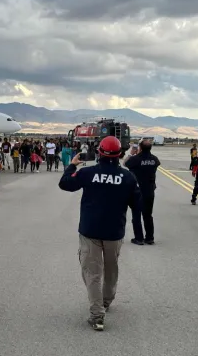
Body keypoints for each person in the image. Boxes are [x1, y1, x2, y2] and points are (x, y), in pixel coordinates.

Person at [58, 136, 141, 331]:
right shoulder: (128, 177)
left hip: (90, 230)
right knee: (111, 269)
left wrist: (72, 166)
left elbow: (65, 184)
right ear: (120, 154)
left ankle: (97, 315)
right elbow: (138, 205)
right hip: (114, 232)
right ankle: (106, 301)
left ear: (99, 153)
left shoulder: (88, 173)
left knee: (92, 272)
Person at [125, 139, 160, 245]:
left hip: (137, 191)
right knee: (148, 215)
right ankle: (150, 237)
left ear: (140, 147)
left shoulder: (135, 159)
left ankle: (139, 238)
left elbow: (125, 163)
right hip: (149, 190)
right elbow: (156, 164)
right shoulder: (154, 159)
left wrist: (132, 154)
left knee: (136, 215)